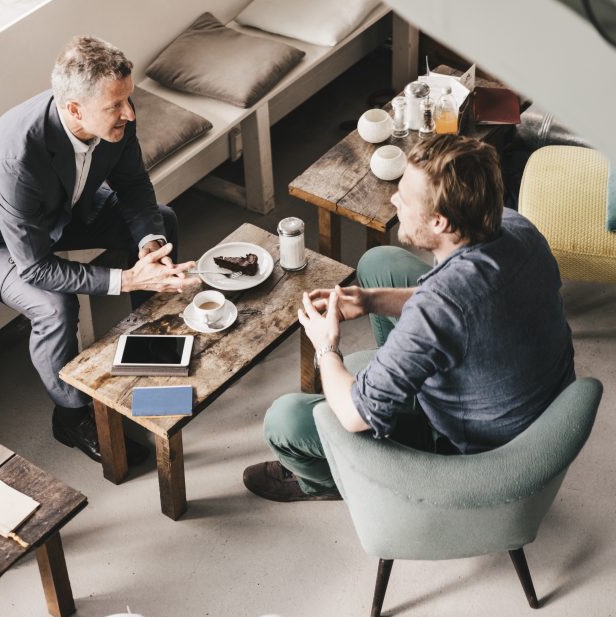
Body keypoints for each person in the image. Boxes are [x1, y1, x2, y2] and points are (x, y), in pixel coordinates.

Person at [243, 135, 575, 502]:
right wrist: (371, 301)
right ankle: (398, 374)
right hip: (533, 409)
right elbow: (465, 302)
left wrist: (326, 346)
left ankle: (326, 481)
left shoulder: (438, 308)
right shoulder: (517, 228)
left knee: (285, 420)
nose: (394, 199)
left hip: (475, 451)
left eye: (405, 197)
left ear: (440, 222)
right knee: (378, 263)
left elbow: (355, 415)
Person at [0, 36, 198, 464]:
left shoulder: (113, 109)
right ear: (74, 109)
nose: (129, 113)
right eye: (116, 107)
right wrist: (128, 278)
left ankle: (151, 346)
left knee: (161, 222)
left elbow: (133, 187)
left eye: (128, 100)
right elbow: (34, 268)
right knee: (54, 304)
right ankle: (71, 414)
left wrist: (148, 248)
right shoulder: (15, 156)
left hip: (59, 209)